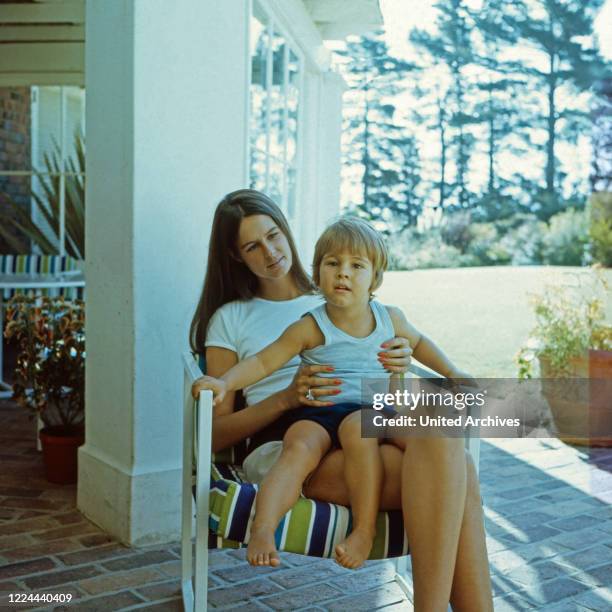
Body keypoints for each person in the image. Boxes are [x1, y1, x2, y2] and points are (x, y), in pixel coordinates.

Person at [190, 190, 493, 610]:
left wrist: (402, 364)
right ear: (235, 255)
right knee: (457, 471)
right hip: (296, 440)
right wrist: (283, 398)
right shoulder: (233, 317)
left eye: (274, 235)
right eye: (252, 246)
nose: (270, 252)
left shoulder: (341, 295)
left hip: (366, 422)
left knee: (443, 441)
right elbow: (215, 431)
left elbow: (398, 350)